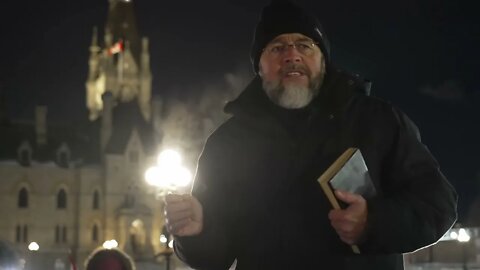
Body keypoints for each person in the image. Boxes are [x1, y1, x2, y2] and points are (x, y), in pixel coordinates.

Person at [164, 0, 458, 269]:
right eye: (277, 47)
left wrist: (374, 222)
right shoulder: (226, 144)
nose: (292, 55)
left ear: (323, 61)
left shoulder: (378, 121)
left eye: (304, 45)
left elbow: (438, 205)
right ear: (260, 67)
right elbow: (213, 258)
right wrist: (197, 232)